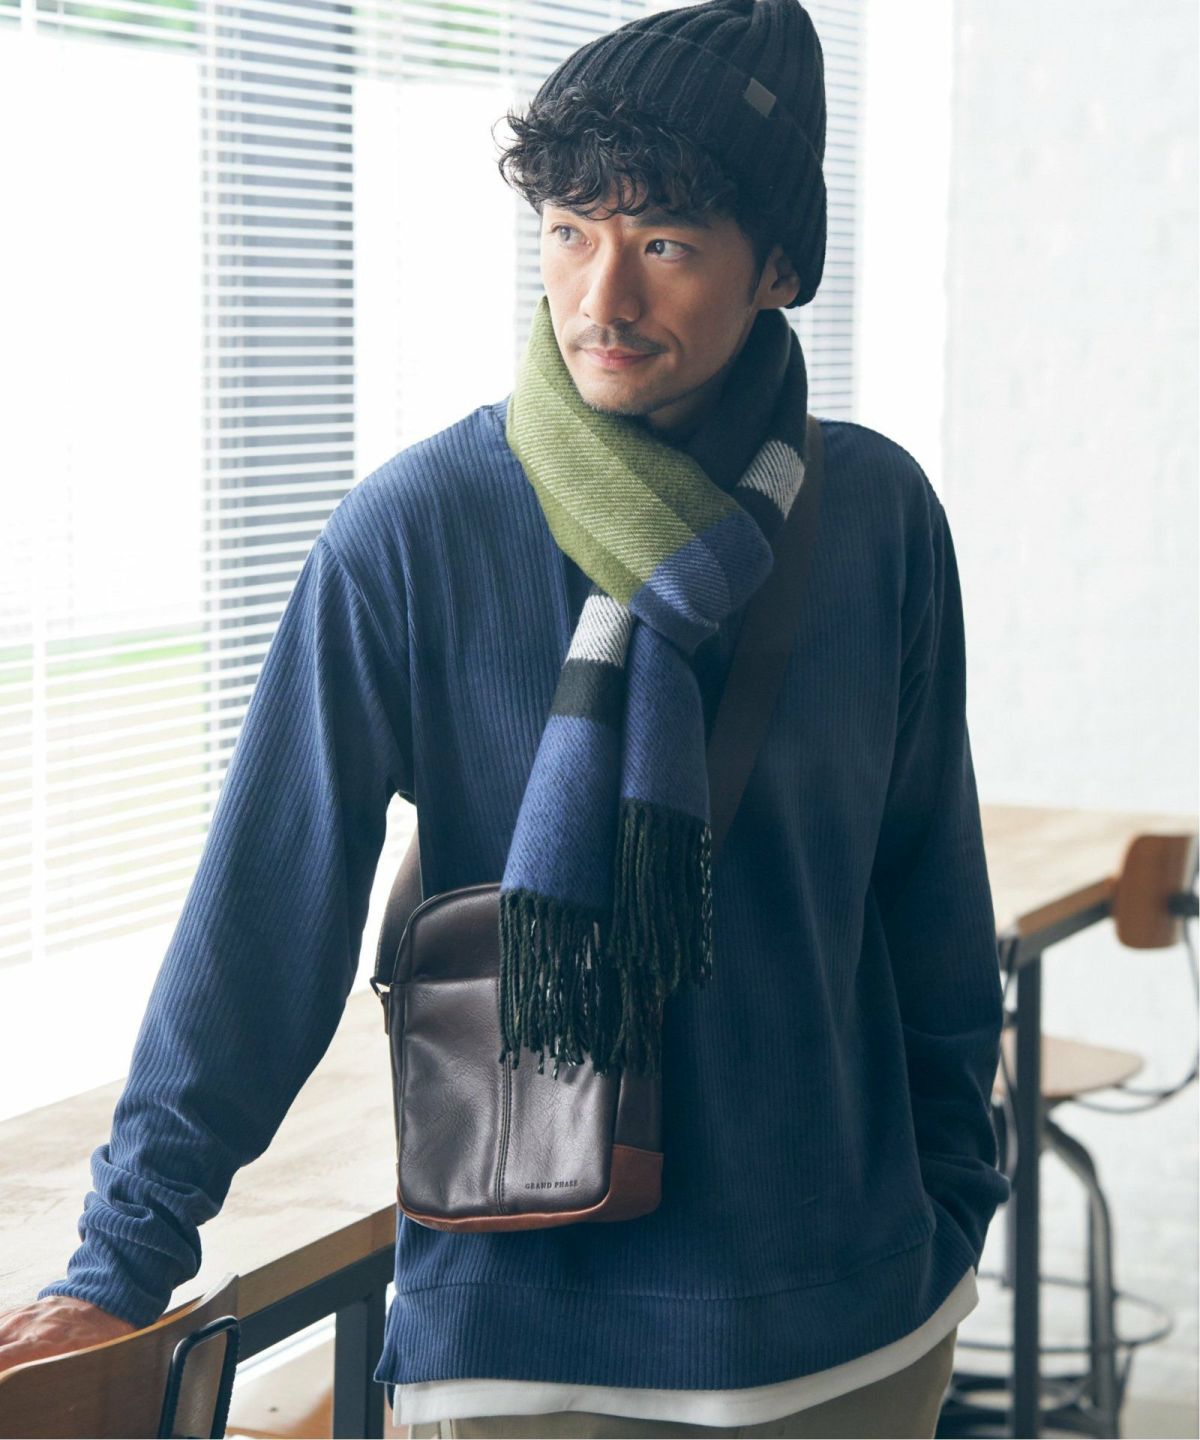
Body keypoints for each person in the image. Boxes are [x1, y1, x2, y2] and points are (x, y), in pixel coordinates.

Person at [0, 1, 1011, 1435]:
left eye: (665, 243)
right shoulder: (415, 533)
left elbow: (929, 894)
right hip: (521, 1338)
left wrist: (952, 1201)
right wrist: (124, 1257)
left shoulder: (876, 519)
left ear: (779, 268)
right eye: (570, 230)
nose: (604, 298)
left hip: (850, 1334)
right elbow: (269, 911)